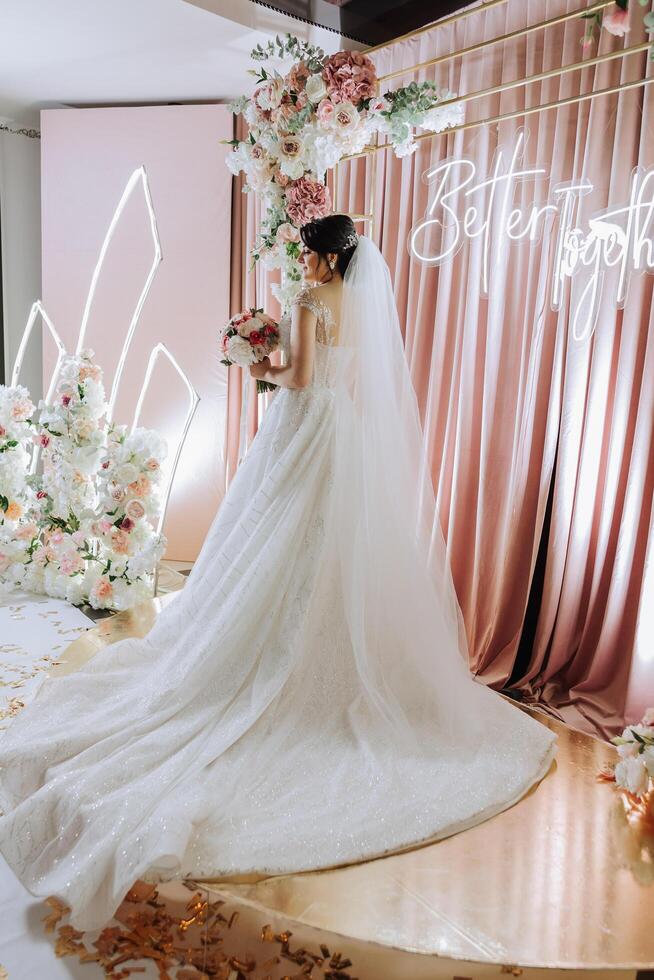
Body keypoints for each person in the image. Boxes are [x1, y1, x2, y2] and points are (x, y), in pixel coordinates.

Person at [0, 214, 557, 932]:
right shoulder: (362, 303)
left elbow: (297, 374)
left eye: (308, 252)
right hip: (340, 431)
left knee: (274, 540)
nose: (304, 261)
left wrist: (253, 363)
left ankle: (265, 661)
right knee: (329, 549)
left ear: (325, 256)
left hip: (301, 425)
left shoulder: (311, 299)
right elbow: (343, 372)